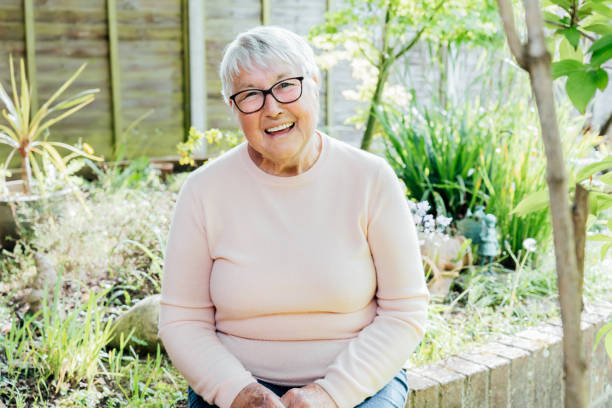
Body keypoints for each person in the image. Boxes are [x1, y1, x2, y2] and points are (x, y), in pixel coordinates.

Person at [159, 26, 429, 408]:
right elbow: (182, 321)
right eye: (251, 94)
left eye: (286, 85)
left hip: (359, 383)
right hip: (236, 384)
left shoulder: (370, 179)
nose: (272, 107)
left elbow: (405, 313)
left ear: (314, 84)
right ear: (234, 108)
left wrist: (330, 394)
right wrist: (242, 394)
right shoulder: (203, 191)